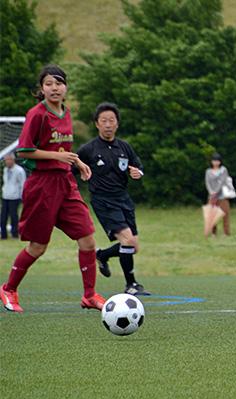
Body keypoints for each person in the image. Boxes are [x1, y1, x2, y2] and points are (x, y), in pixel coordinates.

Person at [0, 65, 105, 313]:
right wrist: (57, 158)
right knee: (38, 247)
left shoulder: (65, 113)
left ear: (66, 87)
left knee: (88, 240)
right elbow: (24, 151)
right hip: (42, 186)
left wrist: (78, 162)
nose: (54, 88)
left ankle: (89, 295)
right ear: (42, 89)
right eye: (49, 83)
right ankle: (9, 288)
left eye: (58, 83)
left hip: (65, 185)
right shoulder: (37, 114)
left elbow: (63, 151)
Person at [77, 102, 150, 296]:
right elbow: (71, 169)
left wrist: (137, 172)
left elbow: (138, 166)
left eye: (112, 120)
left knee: (133, 246)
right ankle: (131, 284)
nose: (108, 124)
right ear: (97, 124)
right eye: (104, 121)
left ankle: (102, 255)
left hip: (123, 199)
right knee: (126, 241)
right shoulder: (88, 149)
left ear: (117, 124)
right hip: (103, 200)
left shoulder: (124, 147)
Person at [205, 153, 232, 236]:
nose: (215, 162)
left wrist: (216, 191)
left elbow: (222, 182)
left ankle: (226, 233)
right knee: (212, 215)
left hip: (222, 196)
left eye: (217, 161)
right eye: (214, 160)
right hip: (212, 196)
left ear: (220, 162)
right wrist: (211, 192)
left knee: (225, 214)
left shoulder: (223, 170)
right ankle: (213, 232)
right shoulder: (208, 171)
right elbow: (207, 182)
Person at [1, 154, 26, 239]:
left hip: (15, 197)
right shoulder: (5, 169)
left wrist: (22, 197)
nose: (7, 162)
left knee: (13, 216)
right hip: (6, 196)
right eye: (5, 160)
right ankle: (3, 235)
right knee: (3, 216)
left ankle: (14, 234)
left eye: (8, 160)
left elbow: (23, 184)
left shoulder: (19, 170)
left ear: (13, 160)